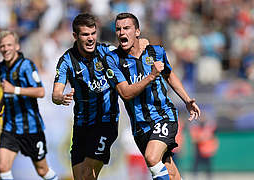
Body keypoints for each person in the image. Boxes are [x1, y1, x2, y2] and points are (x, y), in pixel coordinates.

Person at [103, 13, 201, 180]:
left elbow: (169, 75)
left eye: (126, 28)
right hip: (140, 126)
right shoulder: (112, 60)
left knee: (151, 157)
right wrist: (151, 76)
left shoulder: (156, 52)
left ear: (137, 31)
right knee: (170, 173)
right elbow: (125, 93)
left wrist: (186, 100)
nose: (121, 33)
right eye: (118, 29)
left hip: (163, 116)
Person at [52, 13, 148, 180]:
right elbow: (56, 92)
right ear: (75, 36)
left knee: (88, 174)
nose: (90, 39)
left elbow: (132, 50)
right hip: (81, 126)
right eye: (85, 34)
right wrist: (59, 98)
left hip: (105, 123)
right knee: (80, 177)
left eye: (93, 33)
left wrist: (142, 43)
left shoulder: (108, 52)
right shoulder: (67, 60)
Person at [0, 30, 58, 180]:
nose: (6, 48)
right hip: (10, 127)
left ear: (17, 46)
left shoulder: (26, 66)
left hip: (31, 128)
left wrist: (14, 90)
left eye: (9, 45)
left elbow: (40, 91)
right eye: (3, 46)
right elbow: (7, 89)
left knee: (43, 171)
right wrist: (1, 104)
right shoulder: (1, 67)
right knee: (3, 166)